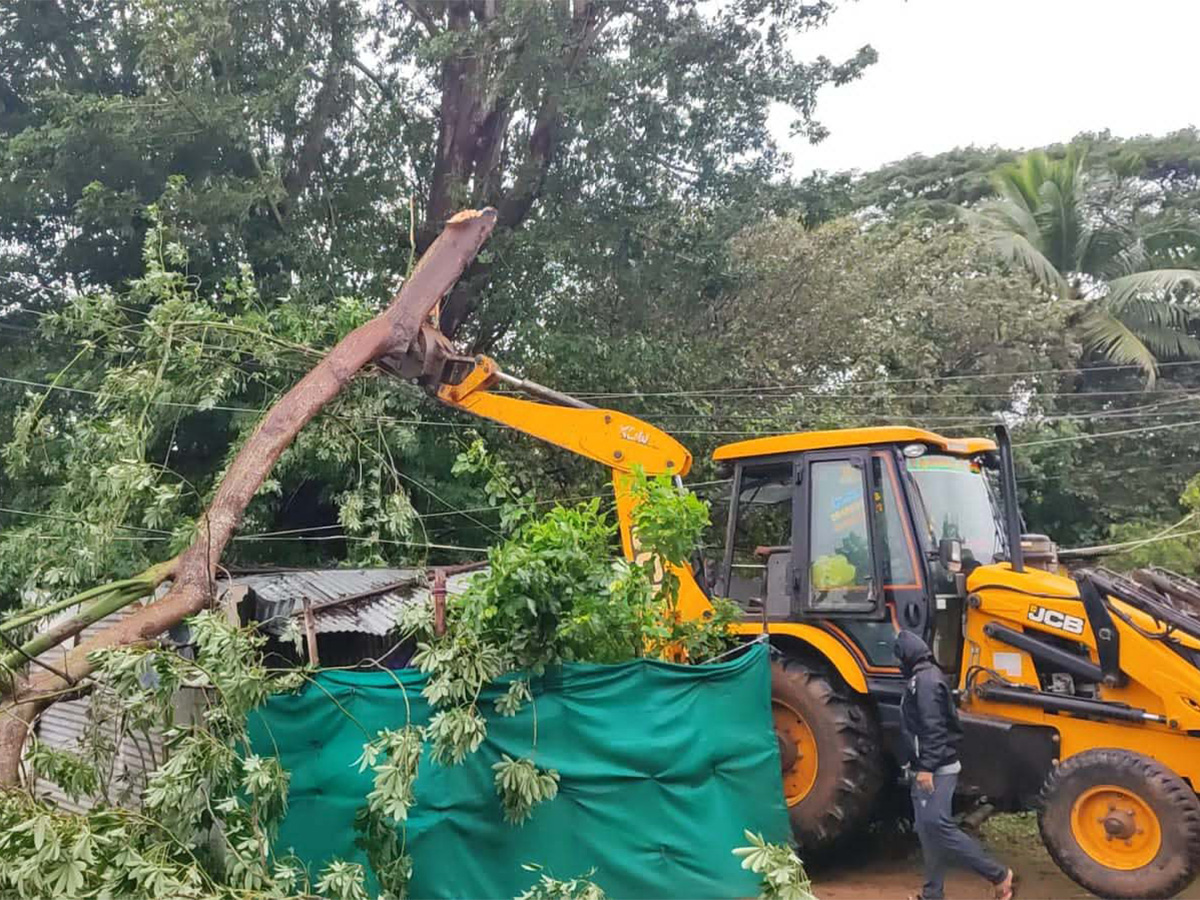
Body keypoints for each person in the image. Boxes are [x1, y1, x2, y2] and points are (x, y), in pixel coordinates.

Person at [895, 630, 1015, 900]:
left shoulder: (925, 682)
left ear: (906, 656)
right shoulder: (925, 678)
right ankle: (932, 894)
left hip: (936, 769)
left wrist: (926, 768)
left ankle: (998, 874)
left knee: (937, 825)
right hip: (926, 767)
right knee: (927, 831)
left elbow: (934, 729)